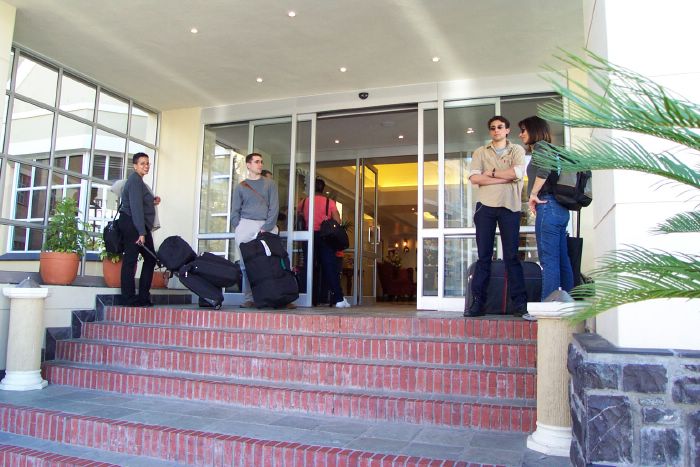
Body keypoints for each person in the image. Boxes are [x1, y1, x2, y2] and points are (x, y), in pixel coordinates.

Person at [464, 116, 527, 317]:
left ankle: (519, 305)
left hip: (510, 207)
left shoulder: (517, 150)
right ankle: (477, 304)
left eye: (500, 127)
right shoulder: (480, 152)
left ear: (507, 130)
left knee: (512, 257)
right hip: (485, 208)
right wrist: (501, 175)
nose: (496, 130)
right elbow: (474, 178)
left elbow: (516, 173)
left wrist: (488, 175)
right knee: (483, 257)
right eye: (493, 128)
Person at [519, 115, 574, 301]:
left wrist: (533, 195)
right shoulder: (553, 149)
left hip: (548, 207)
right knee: (562, 259)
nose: (520, 135)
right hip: (560, 210)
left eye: (523, 130)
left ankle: (547, 306)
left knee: (548, 260)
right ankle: (568, 303)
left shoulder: (541, 147)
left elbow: (543, 171)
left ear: (534, 130)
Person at [230, 153, 281, 308]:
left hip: (265, 226)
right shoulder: (241, 187)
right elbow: (235, 211)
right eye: (257, 162)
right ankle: (249, 298)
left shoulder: (270, 184)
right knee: (246, 264)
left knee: (273, 262)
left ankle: (278, 296)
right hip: (245, 225)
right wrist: (238, 226)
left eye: (261, 162)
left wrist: (267, 227)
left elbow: (274, 207)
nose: (260, 164)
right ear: (248, 165)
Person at [297, 178, 351, 308]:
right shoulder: (329, 202)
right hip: (324, 237)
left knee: (310, 267)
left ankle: (310, 298)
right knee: (329, 267)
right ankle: (338, 298)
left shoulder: (303, 202)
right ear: (323, 189)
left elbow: (298, 215)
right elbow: (337, 220)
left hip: (308, 237)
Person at [118, 152, 160, 307]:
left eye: (147, 163)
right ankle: (129, 298)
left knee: (148, 258)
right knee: (131, 259)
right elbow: (135, 208)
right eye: (142, 163)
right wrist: (141, 233)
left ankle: (142, 297)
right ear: (135, 166)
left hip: (136, 224)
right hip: (133, 224)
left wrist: (152, 201)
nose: (146, 166)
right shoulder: (135, 180)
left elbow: (140, 202)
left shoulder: (138, 182)